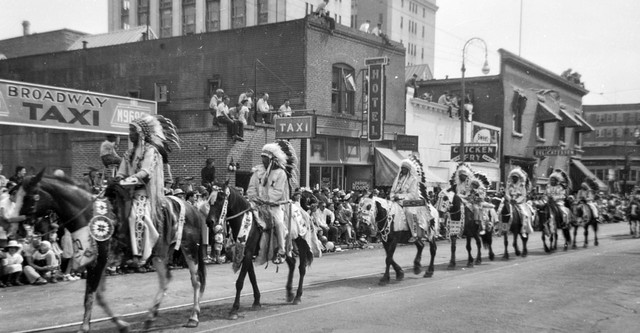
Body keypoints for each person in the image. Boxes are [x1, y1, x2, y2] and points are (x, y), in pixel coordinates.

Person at [116, 114, 180, 267]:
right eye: (129, 130)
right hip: (125, 192)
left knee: (136, 217)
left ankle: (139, 256)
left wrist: (124, 182)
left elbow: (145, 173)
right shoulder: (128, 153)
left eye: (132, 131)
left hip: (142, 193)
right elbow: (121, 172)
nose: (130, 134)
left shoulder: (150, 151)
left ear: (140, 133)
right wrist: (117, 180)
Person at [247, 141, 299, 264]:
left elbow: (278, 192)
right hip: (257, 205)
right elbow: (251, 188)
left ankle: (281, 251)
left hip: (273, 206)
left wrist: (266, 200)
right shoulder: (257, 171)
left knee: (279, 223)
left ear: (272, 159)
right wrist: (254, 198)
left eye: (266, 158)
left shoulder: (281, 173)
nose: (263, 160)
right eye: (262, 157)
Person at [390, 157, 432, 243]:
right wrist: (392, 196)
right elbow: (392, 191)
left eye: (405, 168)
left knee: (409, 212)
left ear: (409, 169)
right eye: (402, 168)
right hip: (396, 200)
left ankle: (415, 234)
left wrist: (400, 196)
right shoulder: (398, 179)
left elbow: (412, 194)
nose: (403, 170)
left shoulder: (413, 179)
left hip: (411, 201)